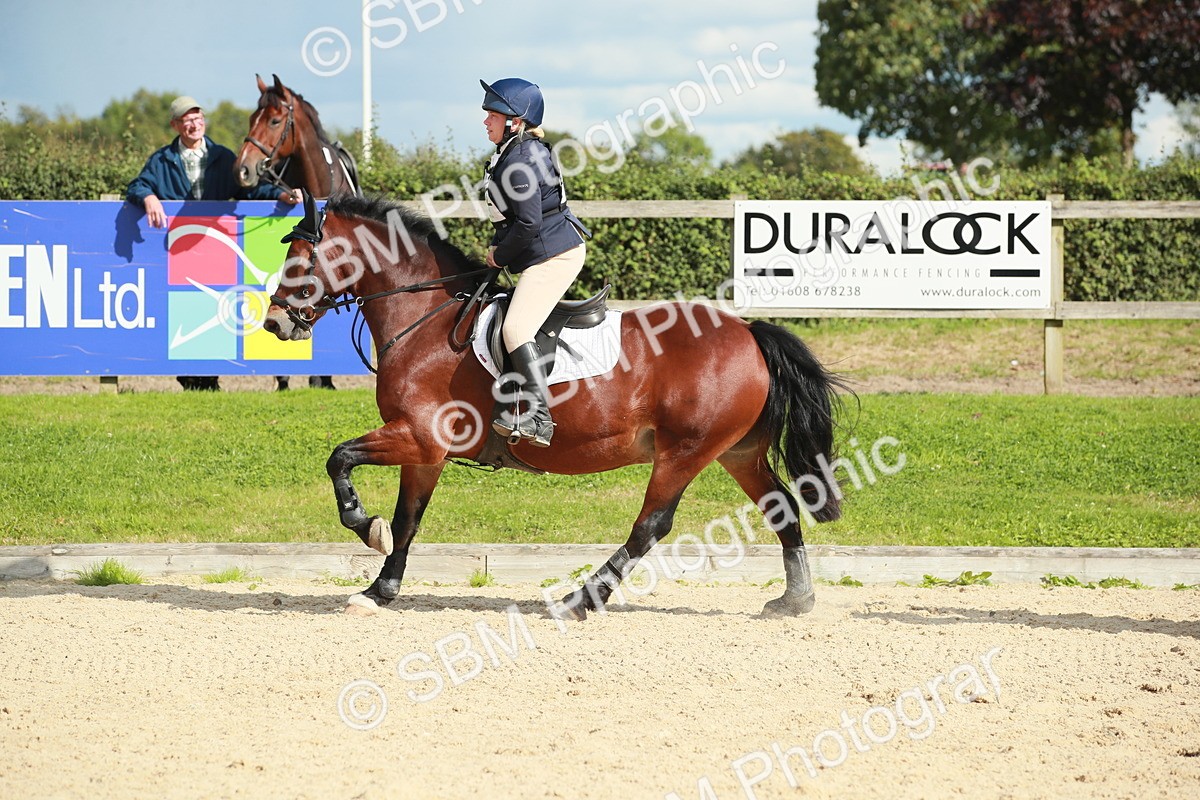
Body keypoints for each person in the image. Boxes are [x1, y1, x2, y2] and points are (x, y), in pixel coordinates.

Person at [126, 95, 301, 391]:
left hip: (215, 247)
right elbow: (137, 184)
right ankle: (191, 377)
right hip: (177, 248)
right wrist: (148, 196)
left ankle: (209, 379)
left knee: (210, 309)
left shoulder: (222, 157)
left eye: (198, 118)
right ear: (175, 125)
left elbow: (248, 191)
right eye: (186, 120)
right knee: (185, 311)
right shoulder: (161, 159)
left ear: (203, 121)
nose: (194, 124)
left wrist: (280, 195)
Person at [480, 78, 590, 447]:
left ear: (515, 120)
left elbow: (529, 223)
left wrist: (499, 256)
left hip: (554, 256)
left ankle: (540, 417)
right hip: (541, 253)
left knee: (514, 330)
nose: (485, 122)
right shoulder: (513, 151)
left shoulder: (522, 158)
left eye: (492, 115)